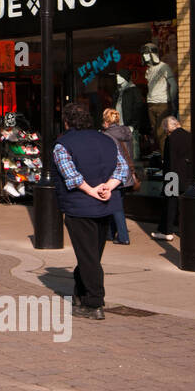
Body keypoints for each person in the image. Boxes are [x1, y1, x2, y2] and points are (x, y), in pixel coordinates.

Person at [52, 100, 131, 320]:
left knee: (88, 257)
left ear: (66, 121)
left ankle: (94, 302)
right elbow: (122, 168)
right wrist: (109, 186)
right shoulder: (106, 140)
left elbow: (71, 175)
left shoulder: (62, 144)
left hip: (80, 206)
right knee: (92, 254)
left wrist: (91, 190)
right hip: (105, 204)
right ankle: (80, 292)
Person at [101, 108, 136, 245]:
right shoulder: (126, 132)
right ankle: (110, 233)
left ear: (106, 121)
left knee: (116, 206)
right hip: (127, 172)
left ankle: (123, 236)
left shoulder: (107, 135)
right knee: (117, 202)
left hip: (115, 173)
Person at [156, 115, 192, 242]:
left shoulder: (171, 139)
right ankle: (186, 230)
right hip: (187, 176)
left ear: (168, 127)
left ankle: (167, 231)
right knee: (185, 205)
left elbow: (169, 161)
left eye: (165, 129)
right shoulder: (189, 136)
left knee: (170, 204)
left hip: (173, 176)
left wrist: (168, 179)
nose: (165, 132)